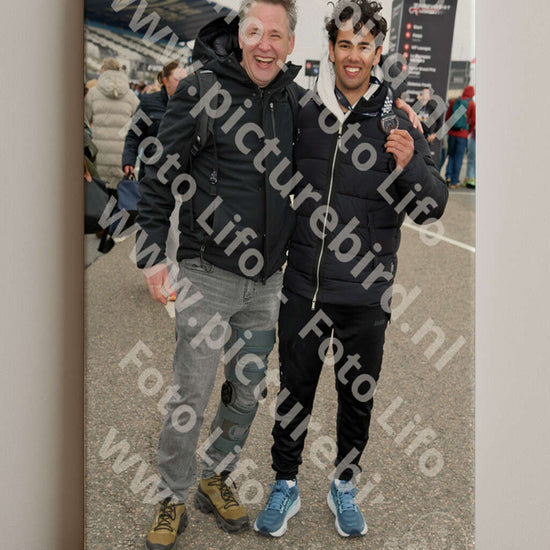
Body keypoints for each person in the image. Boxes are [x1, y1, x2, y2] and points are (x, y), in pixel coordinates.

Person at [254, 0, 448, 539]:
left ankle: (344, 484)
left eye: (364, 46)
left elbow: (432, 207)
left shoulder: (400, 120)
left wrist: (410, 166)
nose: (354, 56)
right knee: (294, 392)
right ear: (331, 49)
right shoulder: (304, 109)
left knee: (356, 397)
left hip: (366, 294)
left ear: (378, 52)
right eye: (345, 45)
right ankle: (285, 483)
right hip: (304, 286)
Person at [136, 2, 300, 548]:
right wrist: (153, 254)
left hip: (266, 284)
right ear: (240, 34)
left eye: (275, 34)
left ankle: (214, 475)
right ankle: (172, 495)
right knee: (191, 393)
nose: (264, 44)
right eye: (254, 31)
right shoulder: (201, 89)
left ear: (290, 44)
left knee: (246, 392)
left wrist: (400, 120)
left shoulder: (294, 101)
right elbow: (160, 173)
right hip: (207, 275)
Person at [122, 61, 186, 181]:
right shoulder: (148, 103)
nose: (183, 83)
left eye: (185, 79)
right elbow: (134, 134)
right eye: (178, 80)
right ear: (166, 81)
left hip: (181, 176)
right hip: (150, 174)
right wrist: (128, 161)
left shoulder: (191, 105)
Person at [85, 58, 139, 188]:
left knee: (100, 194)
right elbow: (141, 121)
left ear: (102, 70)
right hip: (122, 155)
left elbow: (85, 122)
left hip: (99, 154)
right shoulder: (130, 95)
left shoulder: (93, 93)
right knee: (120, 194)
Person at [444, 84, 475, 189]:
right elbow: (473, 121)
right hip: (462, 135)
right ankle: (454, 181)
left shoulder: (454, 102)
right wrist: (467, 131)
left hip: (452, 134)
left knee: (451, 156)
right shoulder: (471, 104)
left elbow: (447, 118)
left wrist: (451, 129)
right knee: (459, 157)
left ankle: (448, 176)